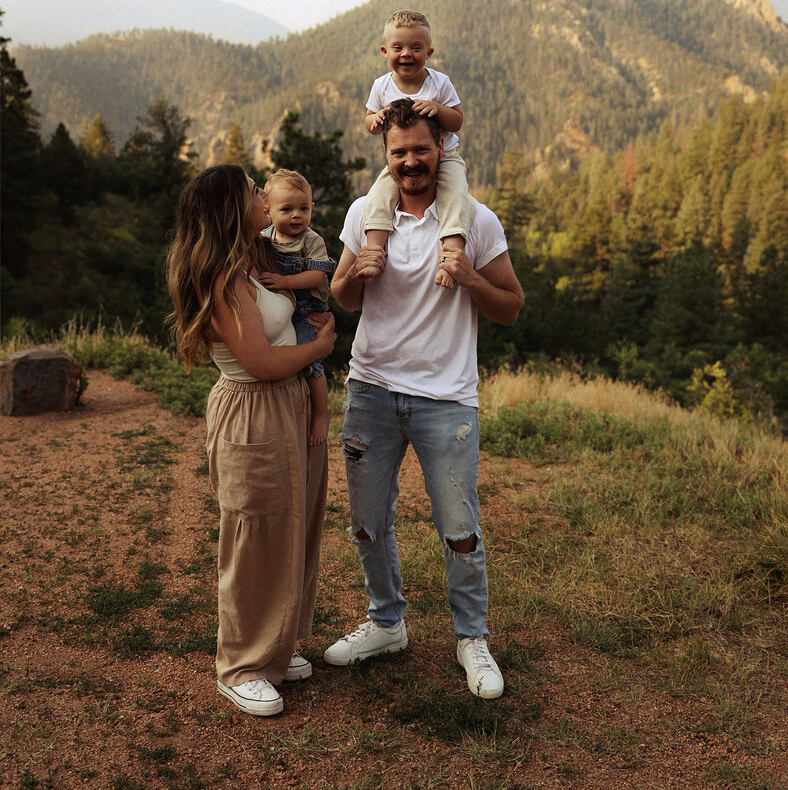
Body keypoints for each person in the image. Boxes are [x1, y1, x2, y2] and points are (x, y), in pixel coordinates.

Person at [324, 99, 524, 699]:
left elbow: (511, 307)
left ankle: (471, 637)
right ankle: (387, 623)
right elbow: (344, 299)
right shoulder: (366, 212)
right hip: (372, 390)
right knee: (366, 523)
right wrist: (355, 271)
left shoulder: (475, 220)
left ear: (442, 150)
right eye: (399, 153)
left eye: (421, 150)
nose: (411, 162)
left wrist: (470, 279)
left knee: (460, 527)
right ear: (386, 157)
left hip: (447, 399)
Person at [166, 163, 335, 717]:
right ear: (230, 210)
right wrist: (319, 349)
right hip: (255, 409)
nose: (264, 195)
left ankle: (276, 648)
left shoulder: (249, 262)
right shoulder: (223, 279)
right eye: (253, 191)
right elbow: (261, 363)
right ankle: (241, 665)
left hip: (287, 405)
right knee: (254, 534)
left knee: (292, 526)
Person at [362, 8, 474, 290]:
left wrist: (438, 109)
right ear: (384, 50)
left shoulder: (439, 83)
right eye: (398, 47)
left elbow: (457, 121)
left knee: (455, 196)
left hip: (444, 156)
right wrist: (375, 121)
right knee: (378, 196)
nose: (406, 54)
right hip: (398, 162)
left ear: (429, 52)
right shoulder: (381, 86)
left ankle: (451, 257)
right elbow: (369, 119)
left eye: (416, 48)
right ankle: (373, 251)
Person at [254, 167, 336, 447]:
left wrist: (284, 281)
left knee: (308, 359)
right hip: (281, 308)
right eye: (287, 209)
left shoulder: (311, 241)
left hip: (307, 310)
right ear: (268, 211)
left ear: (312, 208)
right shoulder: (265, 238)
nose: (296, 215)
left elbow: (318, 275)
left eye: (303, 208)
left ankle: (321, 414)